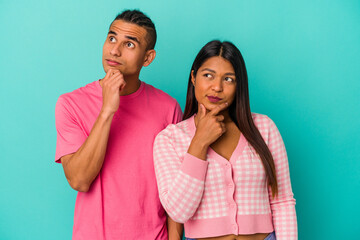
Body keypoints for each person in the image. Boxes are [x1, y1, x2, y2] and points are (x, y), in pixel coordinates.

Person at [55, 9, 183, 240]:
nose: (114, 50)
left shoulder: (169, 108)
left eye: (129, 44)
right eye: (111, 38)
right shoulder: (70, 104)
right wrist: (107, 110)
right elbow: (79, 180)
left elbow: (176, 188)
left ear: (148, 57)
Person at [153, 40, 297, 240]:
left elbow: (282, 201)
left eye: (228, 79)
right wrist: (199, 143)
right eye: (208, 76)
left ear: (239, 85)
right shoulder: (170, 139)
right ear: (193, 77)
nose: (217, 87)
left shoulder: (264, 128)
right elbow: (178, 212)